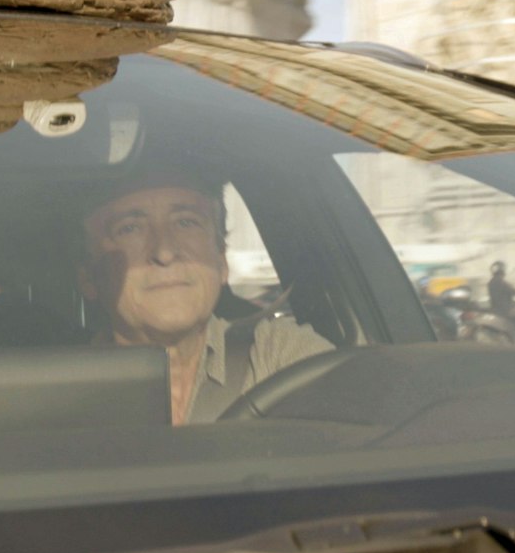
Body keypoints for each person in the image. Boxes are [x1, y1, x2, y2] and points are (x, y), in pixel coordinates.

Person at [79, 169, 334, 425]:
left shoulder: (278, 356)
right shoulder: (67, 391)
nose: (164, 252)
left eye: (186, 222)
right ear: (88, 277)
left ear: (222, 260)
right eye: (130, 228)